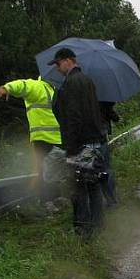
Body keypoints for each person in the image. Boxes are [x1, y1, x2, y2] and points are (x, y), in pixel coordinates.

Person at [49, 47, 108, 237]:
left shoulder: (71, 83)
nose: (58, 69)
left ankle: (83, 229)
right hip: (95, 140)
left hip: (80, 143)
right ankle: (98, 225)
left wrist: (71, 148)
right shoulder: (87, 81)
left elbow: (73, 118)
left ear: (68, 60)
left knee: (78, 186)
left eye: (58, 64)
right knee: (93, 185)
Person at [0, 77, 61, 204]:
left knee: (54, 170)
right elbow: (22, 85)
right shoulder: (37, 86)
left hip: (57, 138)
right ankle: (46, 201)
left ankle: (54, 198)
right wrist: (7, 88)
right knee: (43, 170)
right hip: (42, 138)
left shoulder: (54, 90)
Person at [98, 101, 119, 206]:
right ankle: (112, 199)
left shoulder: (77, 95)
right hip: (101, 135)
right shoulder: (101, 96)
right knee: (106, 168)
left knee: (90, 170)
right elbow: (112, 114)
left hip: (84, 137)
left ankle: (96, 202)